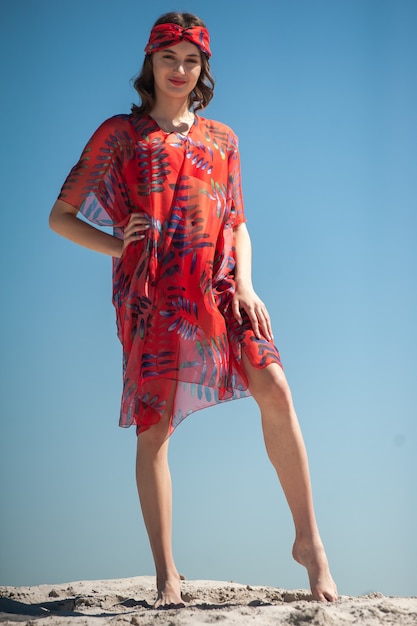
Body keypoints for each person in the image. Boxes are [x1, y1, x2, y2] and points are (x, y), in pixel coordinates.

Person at [49, 11, 338, 607]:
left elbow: (237, 221)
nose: (179, 70)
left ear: (203, 68)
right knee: (154, 427)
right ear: (149, 64)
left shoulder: (223, 139)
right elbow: (61, 216)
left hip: (221, 287)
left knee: (276, 387)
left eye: (191, 60)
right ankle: (166, 573)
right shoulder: (120, 134)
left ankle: (310, 544)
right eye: (167, 58)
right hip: (153, 296)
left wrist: (250, 285)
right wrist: (117, 243)